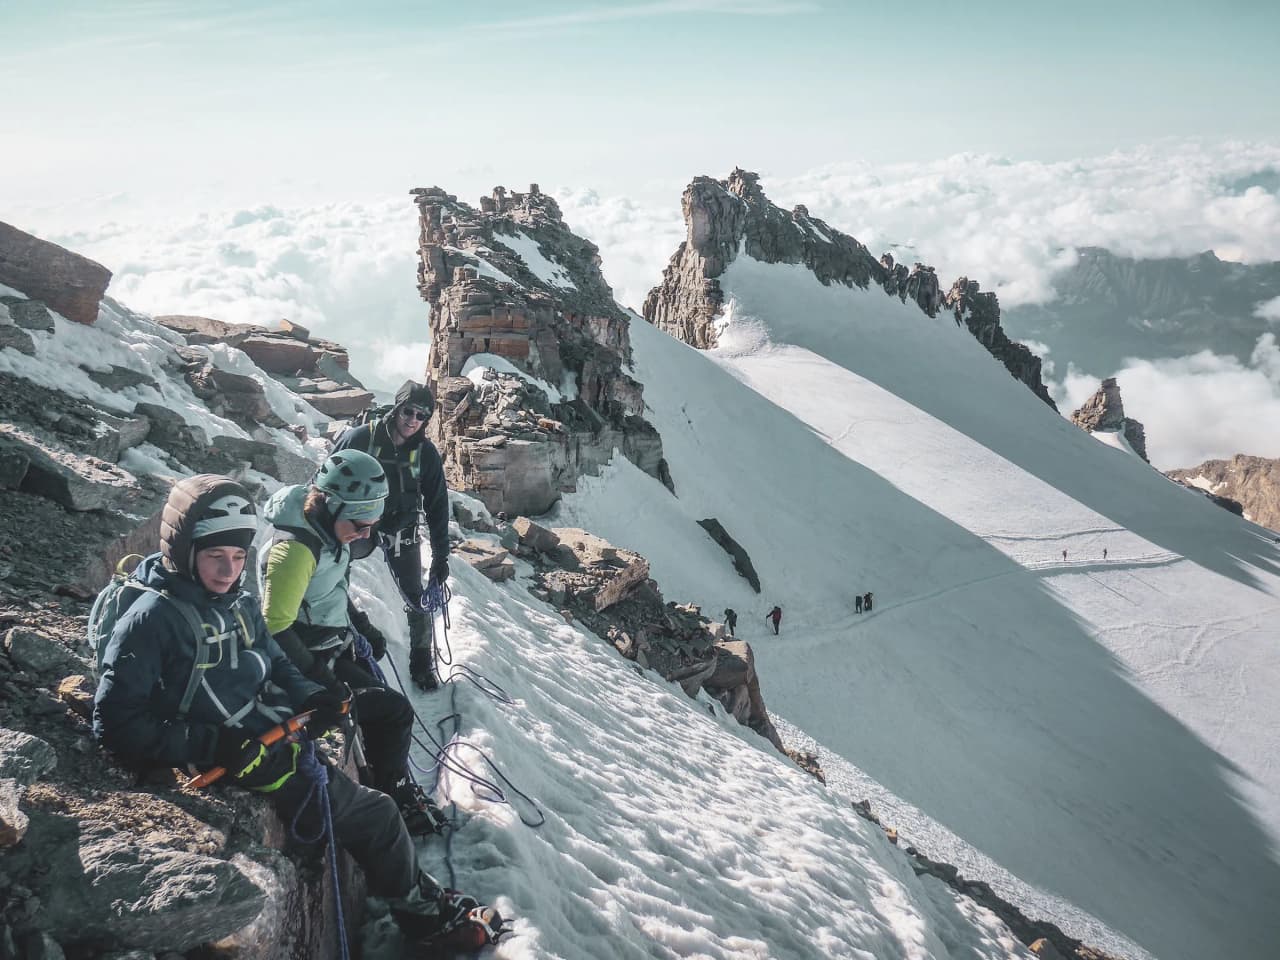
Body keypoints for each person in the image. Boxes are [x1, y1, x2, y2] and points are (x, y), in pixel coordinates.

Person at [92, 475, 497, 948]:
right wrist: (212, 744)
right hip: (241, 753)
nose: (229, 570)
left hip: (266, 735)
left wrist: (310, 695)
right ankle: (425, 919)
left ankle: (417, 897)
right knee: (378, 815)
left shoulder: (234, 602)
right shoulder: (151, 619)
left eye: (239, 557)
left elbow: (274, 659)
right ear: (185, 551)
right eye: (215, 557)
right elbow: (116, 723)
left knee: (372, 800)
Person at [259, 449, 437, 835]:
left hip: (324, 645)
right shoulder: (295, 551)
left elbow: (331, 588)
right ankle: (394, 797)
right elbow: (274, 627)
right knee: (393, 712)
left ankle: (392, 788)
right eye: (360, 523)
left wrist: (362, 625)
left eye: (371, 524)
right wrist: (321, 680)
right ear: (332, 503)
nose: (366, 534)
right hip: (299, 660)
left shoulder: (324, 530)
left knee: (386, 705)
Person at [334, 381, 450, 692]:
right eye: (408, 411)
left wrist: (441, 557)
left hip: (402, 532)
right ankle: (342, 637)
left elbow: (438, 505)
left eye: (422, 416)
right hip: (359, 527)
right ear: (397, 408)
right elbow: (326, 481)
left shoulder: (426, 454)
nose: (413, 420)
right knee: (332, 574)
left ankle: (422, 662)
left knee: (415, 596)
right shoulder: (361, 438)